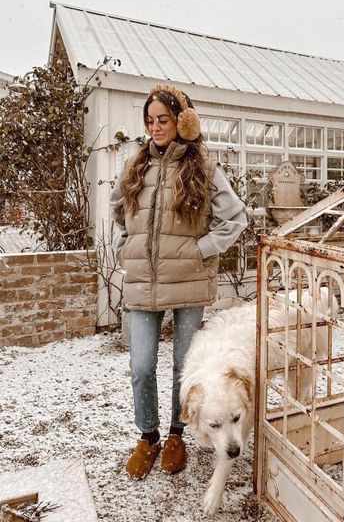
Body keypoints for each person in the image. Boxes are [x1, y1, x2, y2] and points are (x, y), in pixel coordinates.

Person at [110, 84, 247, 479]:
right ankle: (147, 437)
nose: (155, 127)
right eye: (150, 121)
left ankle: (175, 435)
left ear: (183, 122)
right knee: (141, 366)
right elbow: (118, 211)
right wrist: (126, 247)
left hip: (187, 281)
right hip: (142, 282)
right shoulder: (135, 163)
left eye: (163, 120)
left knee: (183, 368)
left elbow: (234, 218)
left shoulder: (203, 167)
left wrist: (199, 250)